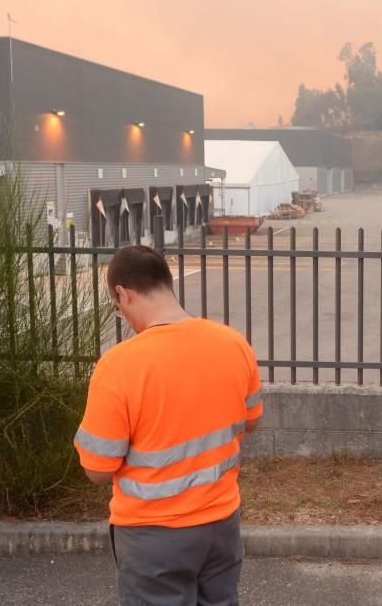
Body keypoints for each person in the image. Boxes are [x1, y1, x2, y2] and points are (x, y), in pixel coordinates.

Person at [74, 245, 263, 606]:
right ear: (167, 283)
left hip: (153, 536)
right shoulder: (232, 343)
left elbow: (97, 469)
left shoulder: (119, 366)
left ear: (121, 294)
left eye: (117, 307)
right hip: (221, 524)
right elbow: (251, 421)